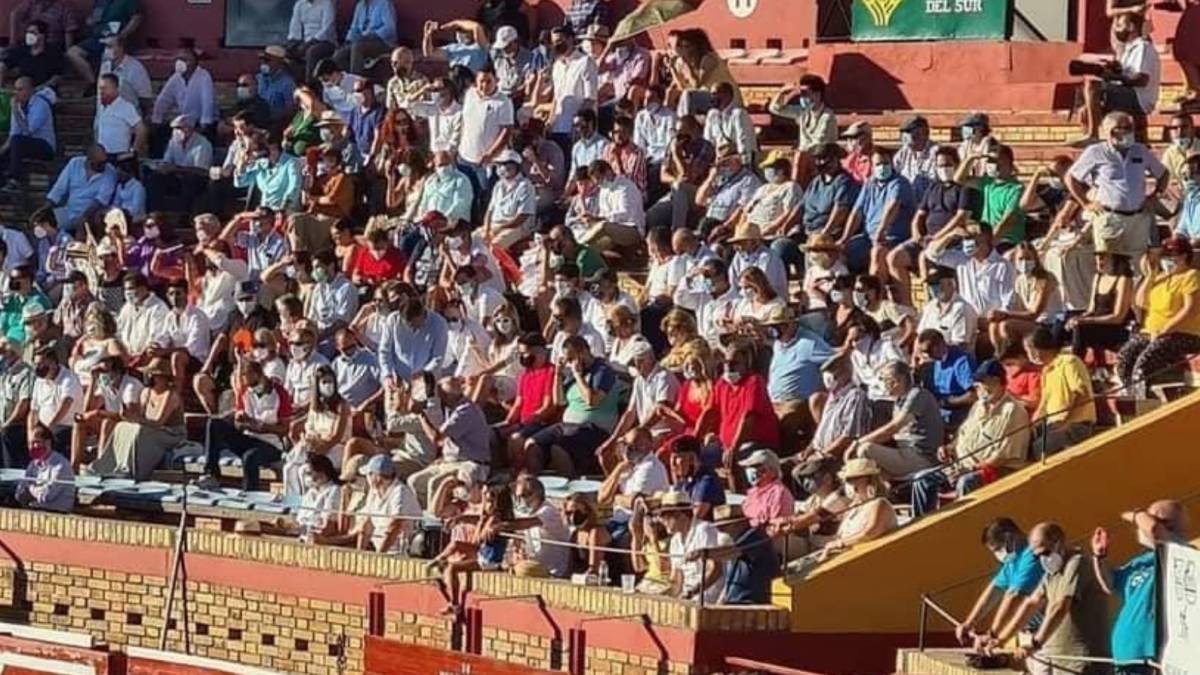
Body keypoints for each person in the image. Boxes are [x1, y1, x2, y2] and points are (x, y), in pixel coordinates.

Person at [986, 522, 1111, 675]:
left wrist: (1035, 643)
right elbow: (1031, 604)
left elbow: (1060, 607)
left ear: (1059, 542)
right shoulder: (1051, 571)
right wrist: (1001, 639)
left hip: (1080, 662)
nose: (1042, 559)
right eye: (1037, 556)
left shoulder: (1077, 562)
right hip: (1059, 660)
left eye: (1045, 552)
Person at [1092, 501, 1192, 675]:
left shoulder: (1183, 554)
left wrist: (1135, 514)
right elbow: (1110, 584)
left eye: (1149, 517)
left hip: (1154, 659)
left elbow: (1154, 530)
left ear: (1168, 525)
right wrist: (1099, 557)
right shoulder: (1142, 560)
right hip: (1126, 660)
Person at [1067, 112, 1167, 261]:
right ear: (1106, 131)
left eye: (1127, 127)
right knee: (1108, 264)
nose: (1123, 132)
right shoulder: (1096, 152)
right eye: (1117, 128)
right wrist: (1086, 203)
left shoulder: (1140, 150)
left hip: (1137, 217)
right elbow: (1071, 177)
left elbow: (1163, 174)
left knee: (1137, 264)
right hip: (1109, 216)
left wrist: (1155, 195)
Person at [1117, 236, 1200, 397]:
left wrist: (1165, 330)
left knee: (1145, 361)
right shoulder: (1161, 278)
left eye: (1171, 256)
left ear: (1183, 256)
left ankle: (1142, 400)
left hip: (1182, 334)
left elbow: (1189, 309)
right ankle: (1132, 394)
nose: (1167, 261)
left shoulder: (1191, 276)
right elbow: (1139, 302)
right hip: (1151, 332)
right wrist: (1150, 276)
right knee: (1125, 357)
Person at [524, 335, 617, 477]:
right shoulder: (572, 374)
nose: (571, 364)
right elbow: (559, 401)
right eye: (568, 360)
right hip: (567, 425)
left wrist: (578, 375)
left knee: (559, 448)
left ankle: (568, 485)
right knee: (531, 444)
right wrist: (558, 374)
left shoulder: (602, 371)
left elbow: (592, 400)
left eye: (572, 358)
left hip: (593, 428)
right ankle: (537, 484)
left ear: (584, 352)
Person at [201, 360, 292, 491]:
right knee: (215, 424)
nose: (248, 386)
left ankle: (250, 492)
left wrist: (263, 427)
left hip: (270, 443)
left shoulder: (279, 393)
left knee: (250, 457)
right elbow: (239, 423)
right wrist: (241, 421)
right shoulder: (245, 391)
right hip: (249, 437)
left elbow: (285, 428)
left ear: (258, 374)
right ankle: (211, 473)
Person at [955, 519, 1045, 649]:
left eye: (998, 549)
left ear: (1009, 538)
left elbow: (1014, 595)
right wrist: (969, 623)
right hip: (1029, 633)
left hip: (1047, 632)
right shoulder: (1013, 561)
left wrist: (993, 634)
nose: (998, 555)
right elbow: (995, 589)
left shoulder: (1032, 555)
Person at [89, 358, 184, 480]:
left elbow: (159, 422)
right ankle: (110, 465)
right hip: (151, 427)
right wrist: (129, 417)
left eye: (155, 375)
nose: (151, 378)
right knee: (122, 427)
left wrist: (137, 419)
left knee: (140, 432)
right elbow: (142, 416)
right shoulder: (146, 392)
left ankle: (132, 470)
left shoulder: (170, 395)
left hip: (171, 433)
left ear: (164, 378)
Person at [850, 361, 944, 481]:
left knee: (865, 449)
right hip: (905, 452)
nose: (883, 384)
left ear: (896, 381)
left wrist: (858, 442)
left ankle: (878, 491)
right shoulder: (900, 401)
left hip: (920, 457)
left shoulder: (917, 395)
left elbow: (894, 427)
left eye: (885, 380)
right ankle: (884, 487)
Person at [1076, 11, 1160, 143]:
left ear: (1131, 26)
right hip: (1128, 94)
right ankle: (1095, 137)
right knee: (1086, 103)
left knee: (1093, 86)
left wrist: (1115, 77)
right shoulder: (1128, 49)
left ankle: (1093, 135)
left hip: (1139, 98)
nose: (1116, 29)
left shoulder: (1142, 47)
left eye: (1120, 25)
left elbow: (1141, 80)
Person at [765, 306, 833, 453]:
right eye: (773, 326)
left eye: (781, 325)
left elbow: (833, 359)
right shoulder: (778, 344)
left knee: (785, 420)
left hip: (796, 401)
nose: (777, 329)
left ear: (792, 324)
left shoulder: (809, 342)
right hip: (774, 401)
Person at [1025, 326, 1095, 457]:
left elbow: (1082, 394)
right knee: (1023, 445)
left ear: (1037, 349)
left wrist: (1067, 421)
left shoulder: (1069, 362)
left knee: (1039, 449)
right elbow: (1044, 405)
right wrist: (1029, 427)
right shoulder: (1046, 371)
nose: (1029, 356)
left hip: (1076, 424)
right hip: (1054, 424)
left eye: (1029, 351)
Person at [657, 491, 723, 604]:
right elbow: (677, 580)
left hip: (706, 596)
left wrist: (693, 592)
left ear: (681, 515)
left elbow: (716, 570)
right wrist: (662, 596)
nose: (663, 522)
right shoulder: (675, 541)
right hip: (687, 596)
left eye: (667, 517)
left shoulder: (705, 530)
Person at [1067, 251, 1134, 360]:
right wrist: (1077, 318)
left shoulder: (1123, 279)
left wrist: (1087, 321)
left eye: (1103, 257)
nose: (1099, 260)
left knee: (1081, 329)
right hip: (1098, 322)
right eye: (1097, 257)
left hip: (1116, 327)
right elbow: (1091, 309)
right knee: (1066, 326)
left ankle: (1077, 364)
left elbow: (1118, 317)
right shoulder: (1098, 277)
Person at [349, 454, 422, 553]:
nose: (367, 478)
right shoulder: (374, 491)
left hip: (400, 553)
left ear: (378, 477)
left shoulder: (401, 492)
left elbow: (395, 526)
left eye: (370, 474)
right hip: (378, 549)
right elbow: (367, 525)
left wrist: (379, 556)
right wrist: (360, 554)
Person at [544, 26, 598, 153]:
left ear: (570, 39)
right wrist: (550, 122)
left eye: (560, 41)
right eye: (554, 42)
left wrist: (578, 125)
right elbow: (557, 98)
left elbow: (590, 99)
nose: (556, 45)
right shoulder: (557, 66)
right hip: (558, 127)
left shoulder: (585, 62)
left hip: (576, 130)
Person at [44, 145, 117, 236]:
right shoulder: (75, 163)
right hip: (69, 210)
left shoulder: (110, 172)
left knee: (86, 223)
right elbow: (59, 188)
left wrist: (84, 217)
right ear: (90, 161)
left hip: (92, 215)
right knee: (43, 224)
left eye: (105, 162)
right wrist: (45, 208)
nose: (104, 165)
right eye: (100, 163)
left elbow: (100, 201)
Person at [509, 474, 571, 578]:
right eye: (517, 497)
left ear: (537, 494)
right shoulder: (526, 513)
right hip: (535, 570)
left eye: (524, 496)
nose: (520, 501)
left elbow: (521, 524)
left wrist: (498, 526)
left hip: (555, 572)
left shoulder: (548, 511)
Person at [0, 77, 56, 191]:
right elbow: (14, 131)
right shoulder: (18, 105)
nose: (17, 93)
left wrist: (15, 111)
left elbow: (29, 130)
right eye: (16, 90)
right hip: (24, 144)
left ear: (30, 90)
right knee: (6, 151)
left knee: (17, 141)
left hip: (44, 146)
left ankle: (15, 179)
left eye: (20, 89)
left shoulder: (40, 105)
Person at [28, 341, 82, 457]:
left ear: (52, 363)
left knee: (55, 436)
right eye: (36, 364)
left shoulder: (68, 379)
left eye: (41, 364)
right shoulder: (39, 381)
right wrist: (31, 433)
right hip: (43, 425)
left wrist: (48, 428)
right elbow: (33, 411)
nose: (38, 368)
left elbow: (66, 404)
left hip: (65, 425)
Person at [151, 48, 217, 138]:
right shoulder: (175, 77)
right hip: (184, 123)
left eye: (185, 60)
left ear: (195, 63)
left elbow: (207, 102)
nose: (180, 62)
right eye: (178, 59)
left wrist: (204, 125)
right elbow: (163, 99)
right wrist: (156, 119)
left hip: (202, 123)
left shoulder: (204, 77)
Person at [15, 424, 74, 513]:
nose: (33, 446)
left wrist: (31, 488)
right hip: (35, 508)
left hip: (56, 514)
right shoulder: (33, 464)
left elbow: (46, 495)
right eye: (30, 443)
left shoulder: (60, 465)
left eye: (36, 442)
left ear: (48, 442)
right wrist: (35, 490)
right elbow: (20, 492)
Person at [336, 0, 396, 75]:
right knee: (339, 55)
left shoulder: (384, 3)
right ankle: (347, 80)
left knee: (358, 47)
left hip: (383, 42)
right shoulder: (360, 5)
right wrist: (347, 41)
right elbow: (354, 28)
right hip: (362, 40)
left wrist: (372, 34)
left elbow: (390, 28)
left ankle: (355, 81)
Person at [94, 73, 146, 157]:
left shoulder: (126, 107)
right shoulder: (101, 107)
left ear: (116, 89)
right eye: (100, 88)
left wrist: (133, 151)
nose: (101, 91)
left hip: (119, 155)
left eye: (105, 88)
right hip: (102, 155)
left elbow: (141, 129)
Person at [739, 449, 794, 528]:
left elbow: (776, 527)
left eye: (757, 467)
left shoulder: (779, 494)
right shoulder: (753, 492)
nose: (751, 470)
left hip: (763, 538)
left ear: (771, 471)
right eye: (749, 467)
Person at [0, 20, 63, 89]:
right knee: (21, 82)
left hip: (45, 91)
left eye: (32, 32)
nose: (28, 35)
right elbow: (4, 65)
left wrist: (38, 89)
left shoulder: (53, 52)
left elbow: (57, 77)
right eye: (27, 32)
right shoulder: (22, 50)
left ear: (42, 35)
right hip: (24, 89)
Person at [286, 0, 336, 83]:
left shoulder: (327, 4)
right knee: (287, 55)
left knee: (311, 52)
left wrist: (309, 43)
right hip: (305, 42)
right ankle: (298, 85)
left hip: (325, 42)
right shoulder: (300, 4)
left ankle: (311, 85)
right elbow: (294, 28)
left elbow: (327, 29)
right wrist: (293, 43)